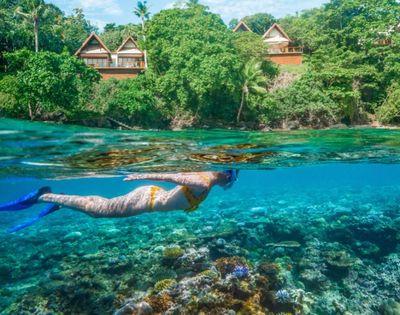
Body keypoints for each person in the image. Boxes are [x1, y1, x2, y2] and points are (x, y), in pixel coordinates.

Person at [0, 170, 239, 233]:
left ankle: (63, 201)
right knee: (100, 211)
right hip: (148, 200)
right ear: (227, 174)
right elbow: (175, 177)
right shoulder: (204, 182)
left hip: (152, 197)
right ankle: (43, 196)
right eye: (234, 177)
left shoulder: (206, 179)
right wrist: (144, 175)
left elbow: (178, 179)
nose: (232, 183)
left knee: (102, 206)